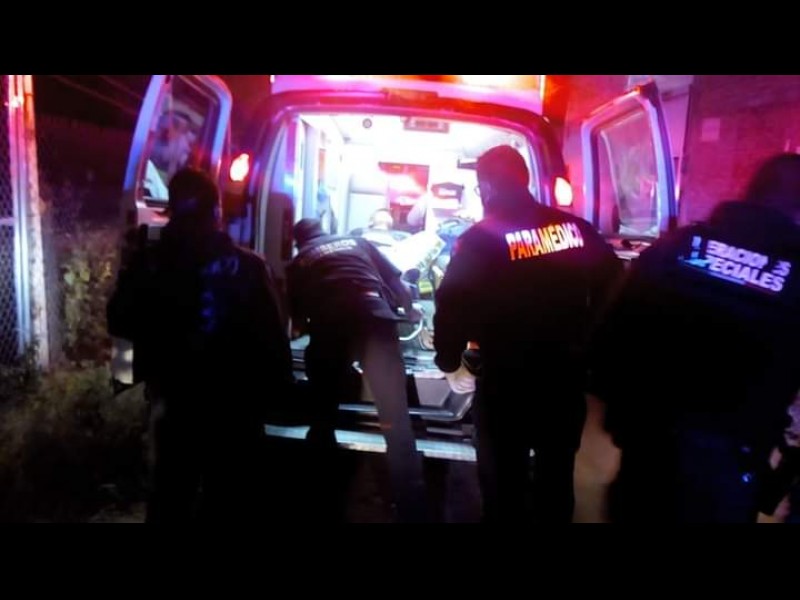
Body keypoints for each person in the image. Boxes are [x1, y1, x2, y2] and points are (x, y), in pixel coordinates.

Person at [591, 153, 800, 523]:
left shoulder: (676, 247)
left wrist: (624, 424)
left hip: (649, 453)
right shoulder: (795, 280)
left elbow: (608, 342)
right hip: (730, 469)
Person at [433, 145, 623, 523]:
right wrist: (591, 346)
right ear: (526, 180)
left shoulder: (481, 238)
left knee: (503, 485)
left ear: (486, 187)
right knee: (556, 478)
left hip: (506, 382)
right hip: (563, 378)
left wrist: (450, 360)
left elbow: (453, 301)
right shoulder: (575, 230)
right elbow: (615, 287)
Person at [107, 167, 294, 522]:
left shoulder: (149, 264)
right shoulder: (248, 267)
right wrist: (281, 397)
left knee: (169, 496)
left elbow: (121, 321)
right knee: (227, 498)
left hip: (174, 404)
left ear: (171, 211)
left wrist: (125, 378)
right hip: (235, 409)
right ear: (217, 212)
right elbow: (272, 341)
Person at [286, 218, 430, 523]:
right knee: (396, 421)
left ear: (299, 241)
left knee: (323, 417)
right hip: (376, 318)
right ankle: (412, 509)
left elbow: (297, 323)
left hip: (332, 324)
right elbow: (397, 284)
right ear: (324, 231)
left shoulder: (299, 261)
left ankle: (319, 500)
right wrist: (409, 311)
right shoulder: (358, 243)